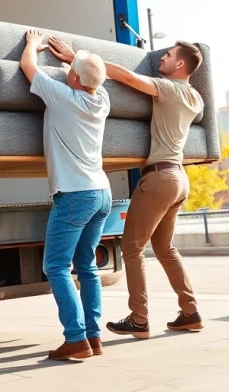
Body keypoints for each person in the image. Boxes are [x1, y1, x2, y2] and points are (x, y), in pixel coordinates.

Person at [48, 38, 204, 339]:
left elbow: (128, 77)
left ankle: (139, 318)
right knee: (165, 247)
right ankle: (190, 312)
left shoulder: (170, 89)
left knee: (132, 248)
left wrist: (80, 60)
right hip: (179, 178)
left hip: (158, 178)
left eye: (169, 56)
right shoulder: (196, 97)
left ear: (181, 64)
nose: (162, 59)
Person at [20, 29, 112, 361]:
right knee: (86, 266)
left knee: (56, 266)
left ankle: (75, 339)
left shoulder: (62, 97)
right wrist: (74, 58)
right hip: (102, 192)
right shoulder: (102, 100)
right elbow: (94, 78)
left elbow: (29, 67)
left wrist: (33, 43)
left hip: (75, 194)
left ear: (73, 76)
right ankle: (94, 336)